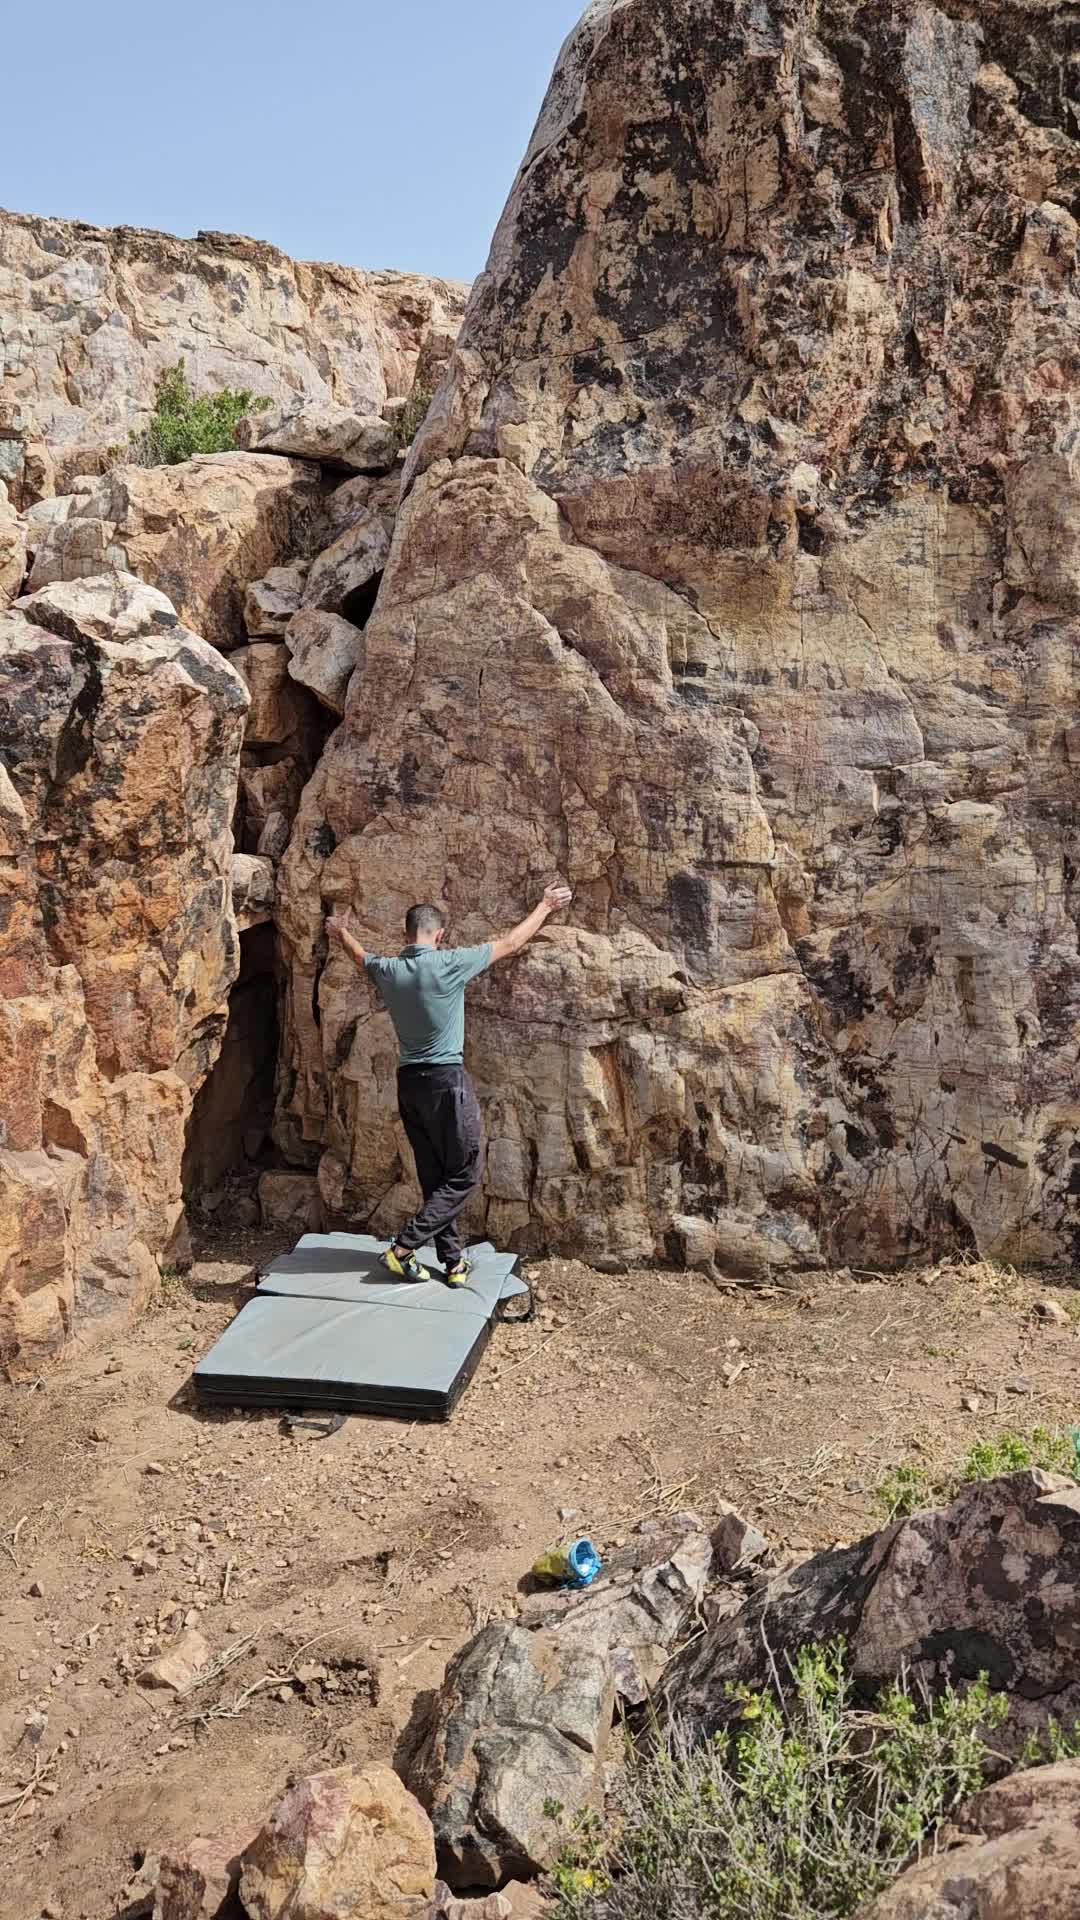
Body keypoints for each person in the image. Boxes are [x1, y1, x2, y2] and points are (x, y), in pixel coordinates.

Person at [327, 887, 573, 1284]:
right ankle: (402, 1248)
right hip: (445, 1083)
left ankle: (453, 1261)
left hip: (410, 1085)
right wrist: (545, 905)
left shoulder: (389, 970)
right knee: (464, 1175)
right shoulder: (450, 963)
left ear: (406, 934)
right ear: (439, 935)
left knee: (435, 1176)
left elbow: (359, 956)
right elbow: (511, 943)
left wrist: (340, 932)